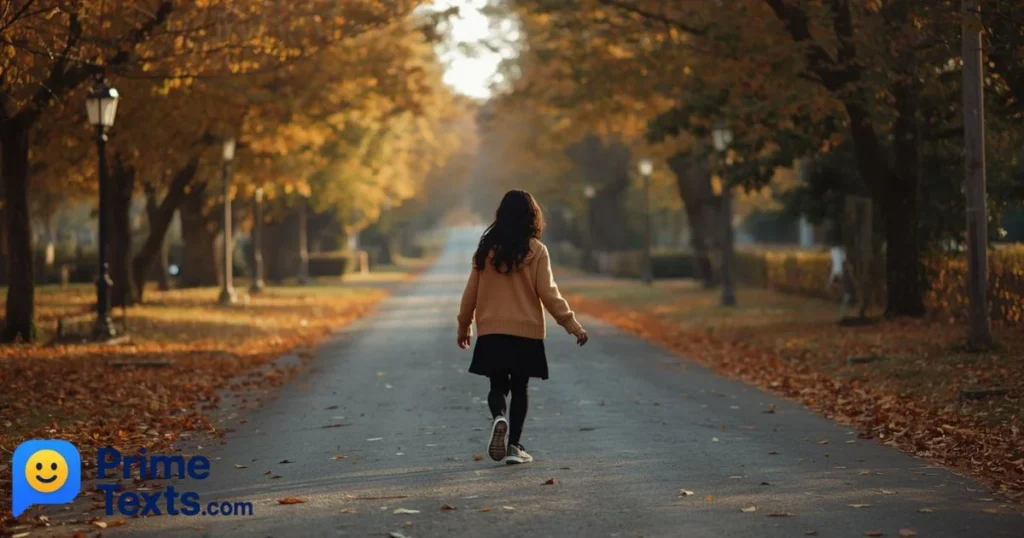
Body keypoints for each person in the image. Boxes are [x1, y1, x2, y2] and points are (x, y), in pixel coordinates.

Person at [457, 190, 589, 465]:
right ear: (532, 217)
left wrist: (464, 325)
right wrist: (571, 324)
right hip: (526, 332)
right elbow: (548, 292)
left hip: (492, 331)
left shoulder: (485, 250)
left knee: (496, 385)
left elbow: (471, 292)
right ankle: (514, 447)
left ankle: (499, 418)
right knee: (520, 387)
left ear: (501, 215)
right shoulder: (537, 250)